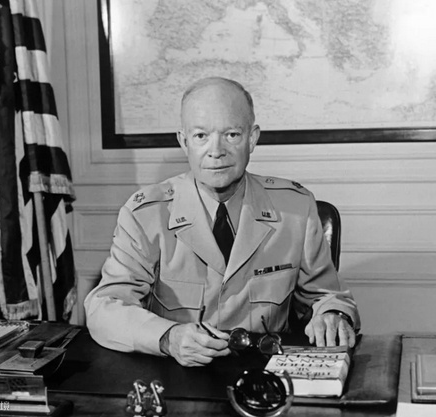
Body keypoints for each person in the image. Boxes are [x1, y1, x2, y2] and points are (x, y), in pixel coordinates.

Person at [85, 77, 360, 367]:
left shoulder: (295, 209)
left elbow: (328, 296)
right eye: (201, 136)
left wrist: (332, 314)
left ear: (252, 138)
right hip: (177, 372)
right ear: (183, 141)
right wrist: (167, 337)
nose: (216, 151)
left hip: (264, 372)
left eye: (231, 135)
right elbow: (105, 307)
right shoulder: (146, 215)